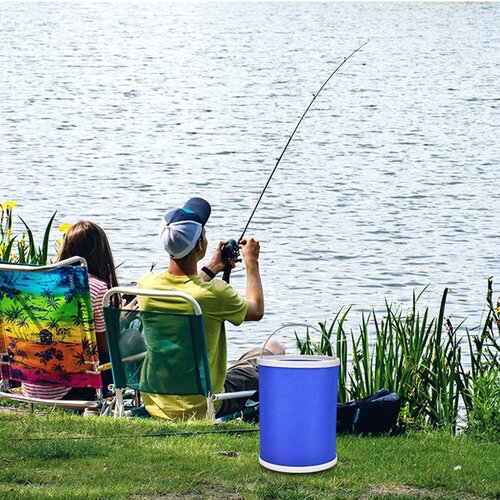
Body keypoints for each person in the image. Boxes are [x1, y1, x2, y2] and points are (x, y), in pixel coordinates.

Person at [137, 197, 284, 420]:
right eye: (204, 232)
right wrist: (252, 262)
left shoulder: (146, 286)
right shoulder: (215, 294)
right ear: (199, 245)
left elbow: (188, 290)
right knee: (274, 348)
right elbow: (256, 310)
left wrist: (213, 267)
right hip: (203, 403)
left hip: (157, 402)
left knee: (247, 358)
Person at [21, 221, 135, 400]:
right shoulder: (97, 289)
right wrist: (120, 319)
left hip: (31, 385)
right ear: (102, 252)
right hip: (72, 388)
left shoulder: (40, 284)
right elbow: (105, 348)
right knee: (131, 340)